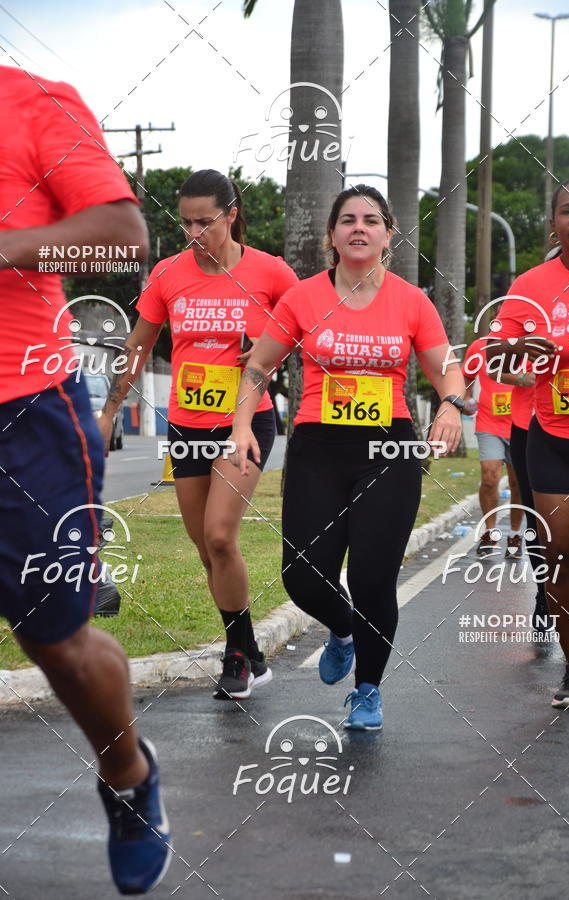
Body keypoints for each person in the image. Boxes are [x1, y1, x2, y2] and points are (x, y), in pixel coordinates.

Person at [0, 66, 170, 894]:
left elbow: (122, 237)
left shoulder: (33, 102)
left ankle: (129, 776)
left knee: (58, 642)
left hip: (23, 411)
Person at [230, 185, 464, 730]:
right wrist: (242, 425)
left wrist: (451, 406)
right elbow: (258, 367)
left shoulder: (411, 300)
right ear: (332, 235)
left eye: (371, 220)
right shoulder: (304, 298)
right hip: (318, 447)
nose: (359, 228)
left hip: (389, 448)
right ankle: (342, 630)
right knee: (302, 575)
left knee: (373, 577)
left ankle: (367, 691)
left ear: (388, 233)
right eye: (348, 220)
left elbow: (446, 367)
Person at [98, 169, 297, 701]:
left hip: (245, 422)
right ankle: (250, 648)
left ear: (231, 215)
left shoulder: (271, 272)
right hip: (187, 421)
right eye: (185, 222)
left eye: (204, 222)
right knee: (206, 551)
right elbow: (139, 346)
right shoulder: (167, 275)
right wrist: (111, 409)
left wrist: (269, 343)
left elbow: (311, 327)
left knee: (219, 535)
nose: (193, 232)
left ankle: (235, 659)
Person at [487, 176, 569, 709]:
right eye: (565, 211)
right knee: (561, 554)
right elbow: (498, 363)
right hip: (553, 437)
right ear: (552, 224)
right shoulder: (530, 285)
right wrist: (532, 360)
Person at [461, 337, 524, 557]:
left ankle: (515, 535)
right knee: (489, 477)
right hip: (489, 423)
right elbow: (467, 375)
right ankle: (490, 532)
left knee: (518, 484)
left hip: (521, 422)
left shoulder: (531, 346)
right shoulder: (479, 346)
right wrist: (466, 399)